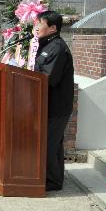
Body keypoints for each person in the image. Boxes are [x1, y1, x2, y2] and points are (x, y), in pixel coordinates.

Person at [33, 11, 75, 192]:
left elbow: (49, 78)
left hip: (56, 106)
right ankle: (55, 180)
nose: (36, 28)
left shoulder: (57, 48)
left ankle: (52, 182)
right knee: (54, 144)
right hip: (47, 105)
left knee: (49, 144)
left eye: (40, 24)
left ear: (52, 28)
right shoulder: (47, 45)